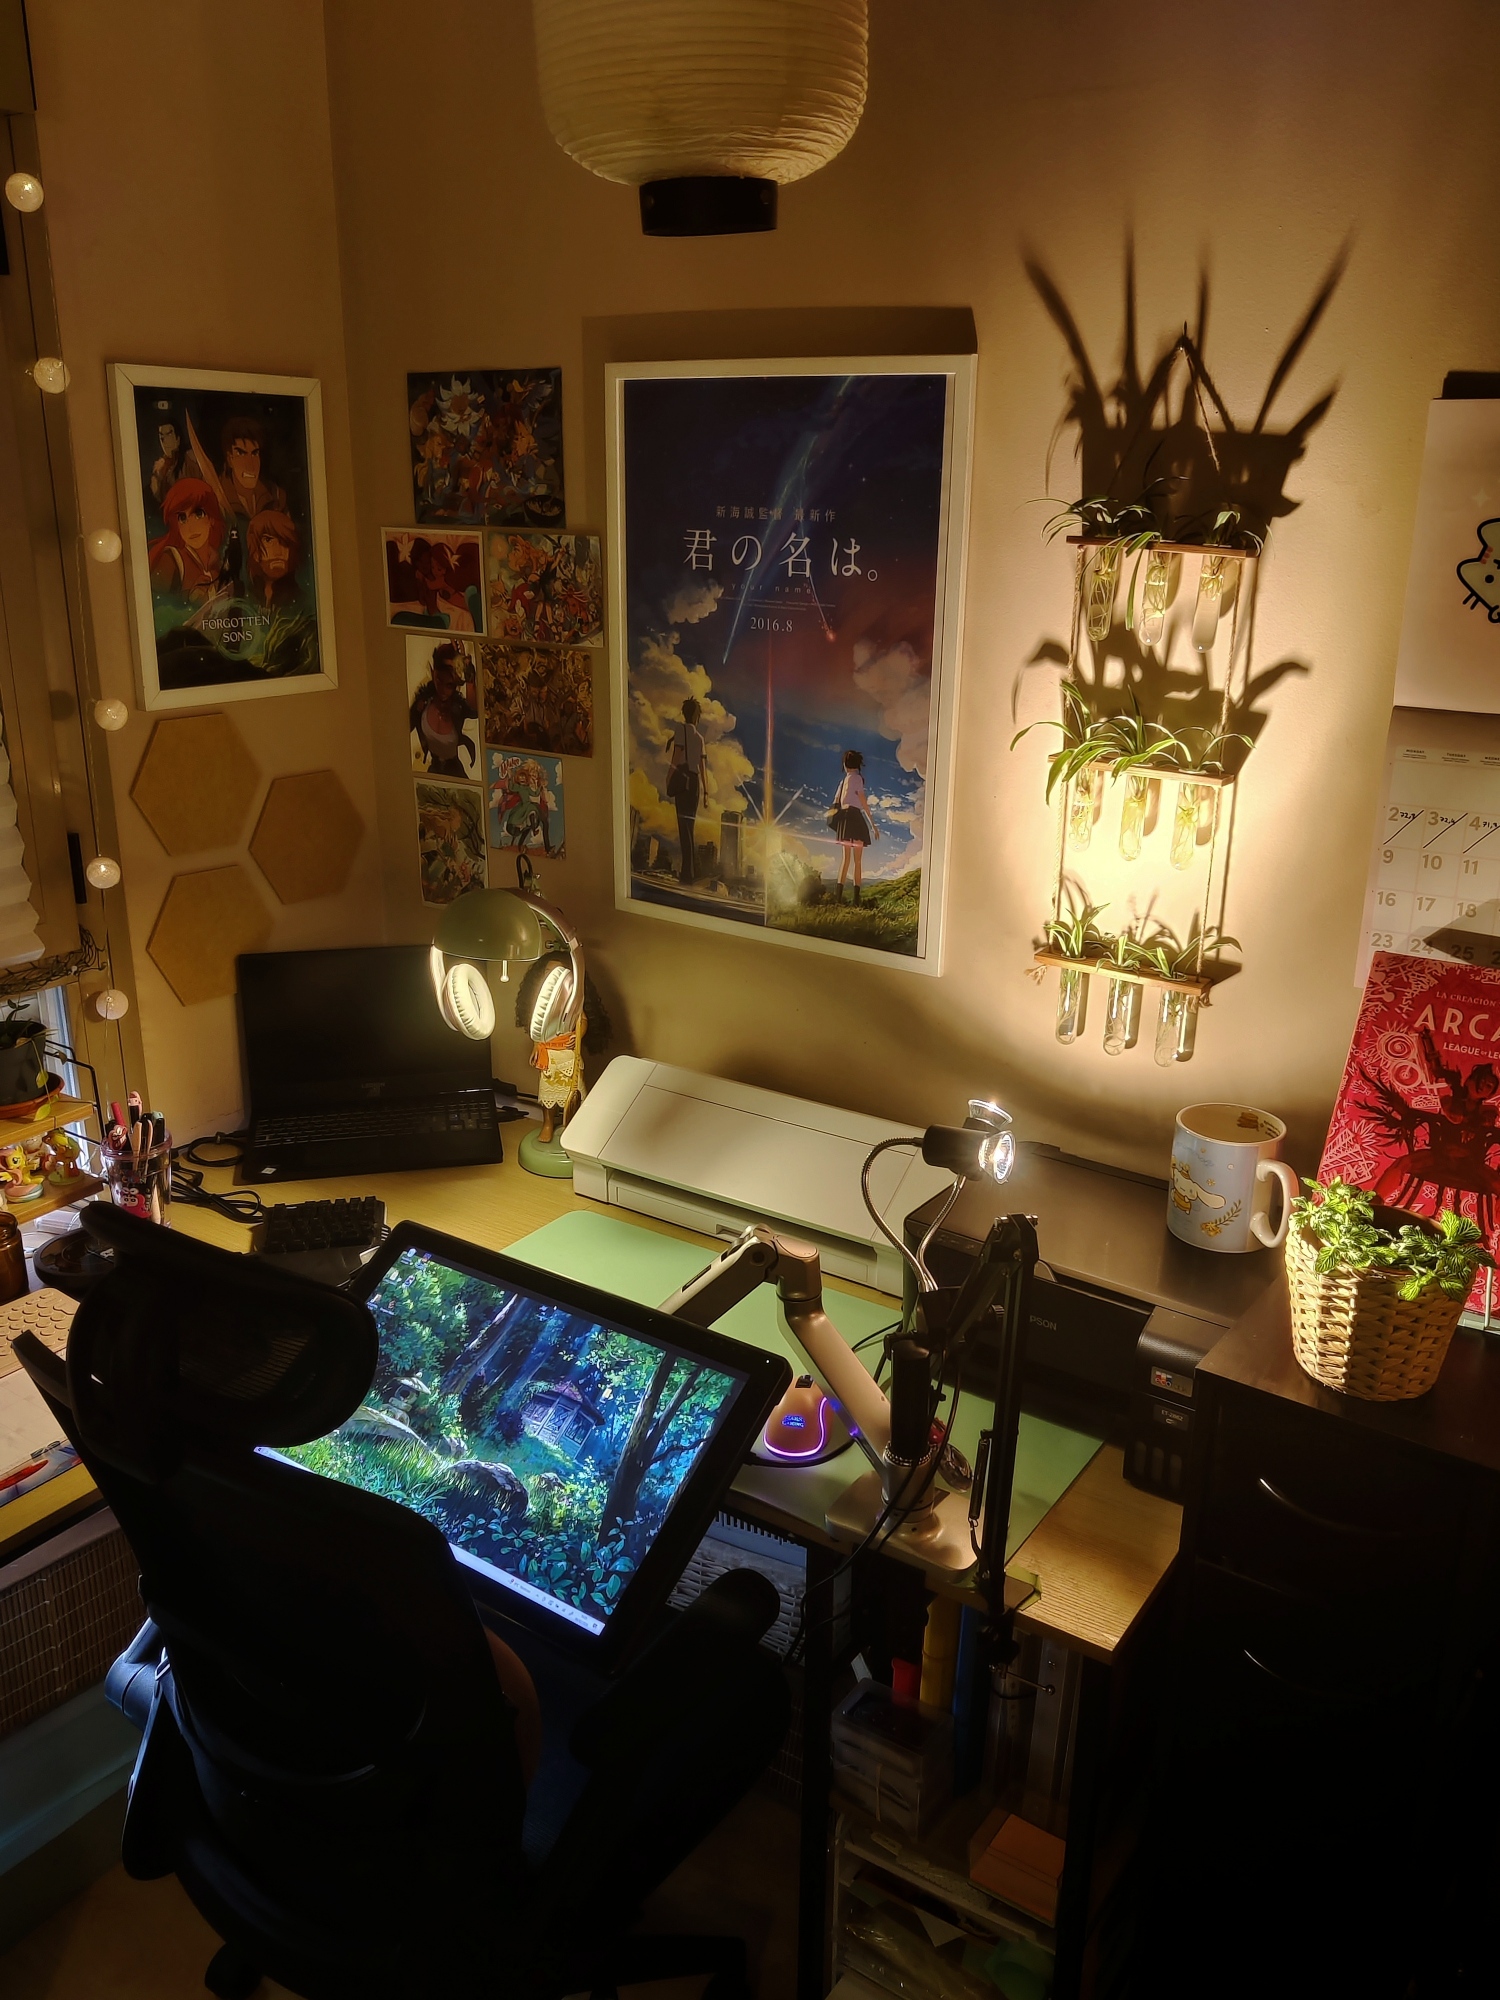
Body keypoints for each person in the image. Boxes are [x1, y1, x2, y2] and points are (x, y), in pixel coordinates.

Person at [147, 478, 228, 607]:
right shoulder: (171, 561)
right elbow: (155, 608)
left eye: (199, 514)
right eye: (182, 518)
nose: (191, 528)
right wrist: (189, 601)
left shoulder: (219, 561)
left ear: (211, 518)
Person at [410, 640, 478, 777]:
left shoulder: (457, 707)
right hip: (433, 770)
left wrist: (470, 680)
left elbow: (475, 711)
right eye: (439, 681)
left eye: (449, 685)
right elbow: (403, 728)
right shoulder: (423, 703)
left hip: (455, 772)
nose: (442, 690)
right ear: (433, 673)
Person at [667, 696, 706, 885]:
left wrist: (669, 776)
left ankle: (686, 874)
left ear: (684, 713)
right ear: (697, 716)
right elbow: (703, 767)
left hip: (683, 780)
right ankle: (689, 872)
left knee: (684, 828)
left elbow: (677, 755)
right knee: (690, 827)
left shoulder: (680, 730)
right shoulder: (700, 738)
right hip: (695, 784)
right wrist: (706, 792)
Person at [218, 416, 287, 523]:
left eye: (255, 453)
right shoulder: (216, 499)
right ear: (230, 459)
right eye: (241, 453)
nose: (250, 465)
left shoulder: (276, 496)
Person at [830, 748, 877, 904]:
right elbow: (863, 801)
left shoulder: (843, 782)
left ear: (845, 764)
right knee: (857, 861)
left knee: (845, 860)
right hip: (856, 818)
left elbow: (836, 802)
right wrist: (873, 824)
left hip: (844, 819)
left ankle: (838, 899)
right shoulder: (857, 778)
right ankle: (856, 899)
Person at [245, 508, 302, 609]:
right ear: (255, 553)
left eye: (284, 542)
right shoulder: (245, 598)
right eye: (268, 540)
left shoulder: (301, 602)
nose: (278, 552)